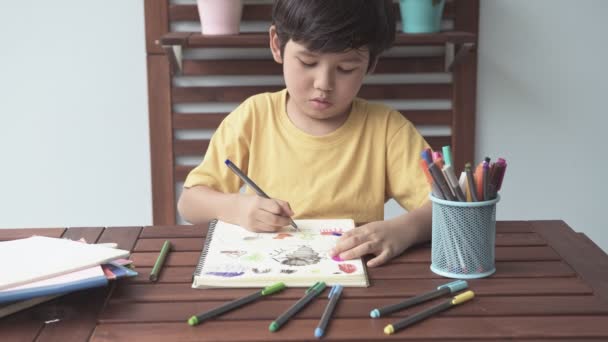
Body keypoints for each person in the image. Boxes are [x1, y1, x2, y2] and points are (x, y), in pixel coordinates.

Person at [178, 0, 432, 267]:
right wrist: (238, 209)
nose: (324, 84)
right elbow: (190, 204)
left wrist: (404, 230)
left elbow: (449, 207)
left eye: (346, 69)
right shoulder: (253, 117)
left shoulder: (387, 129)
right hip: (272, 272)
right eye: (308, 62)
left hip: (356, 278)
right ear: (277, 44)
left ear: (371, 64)